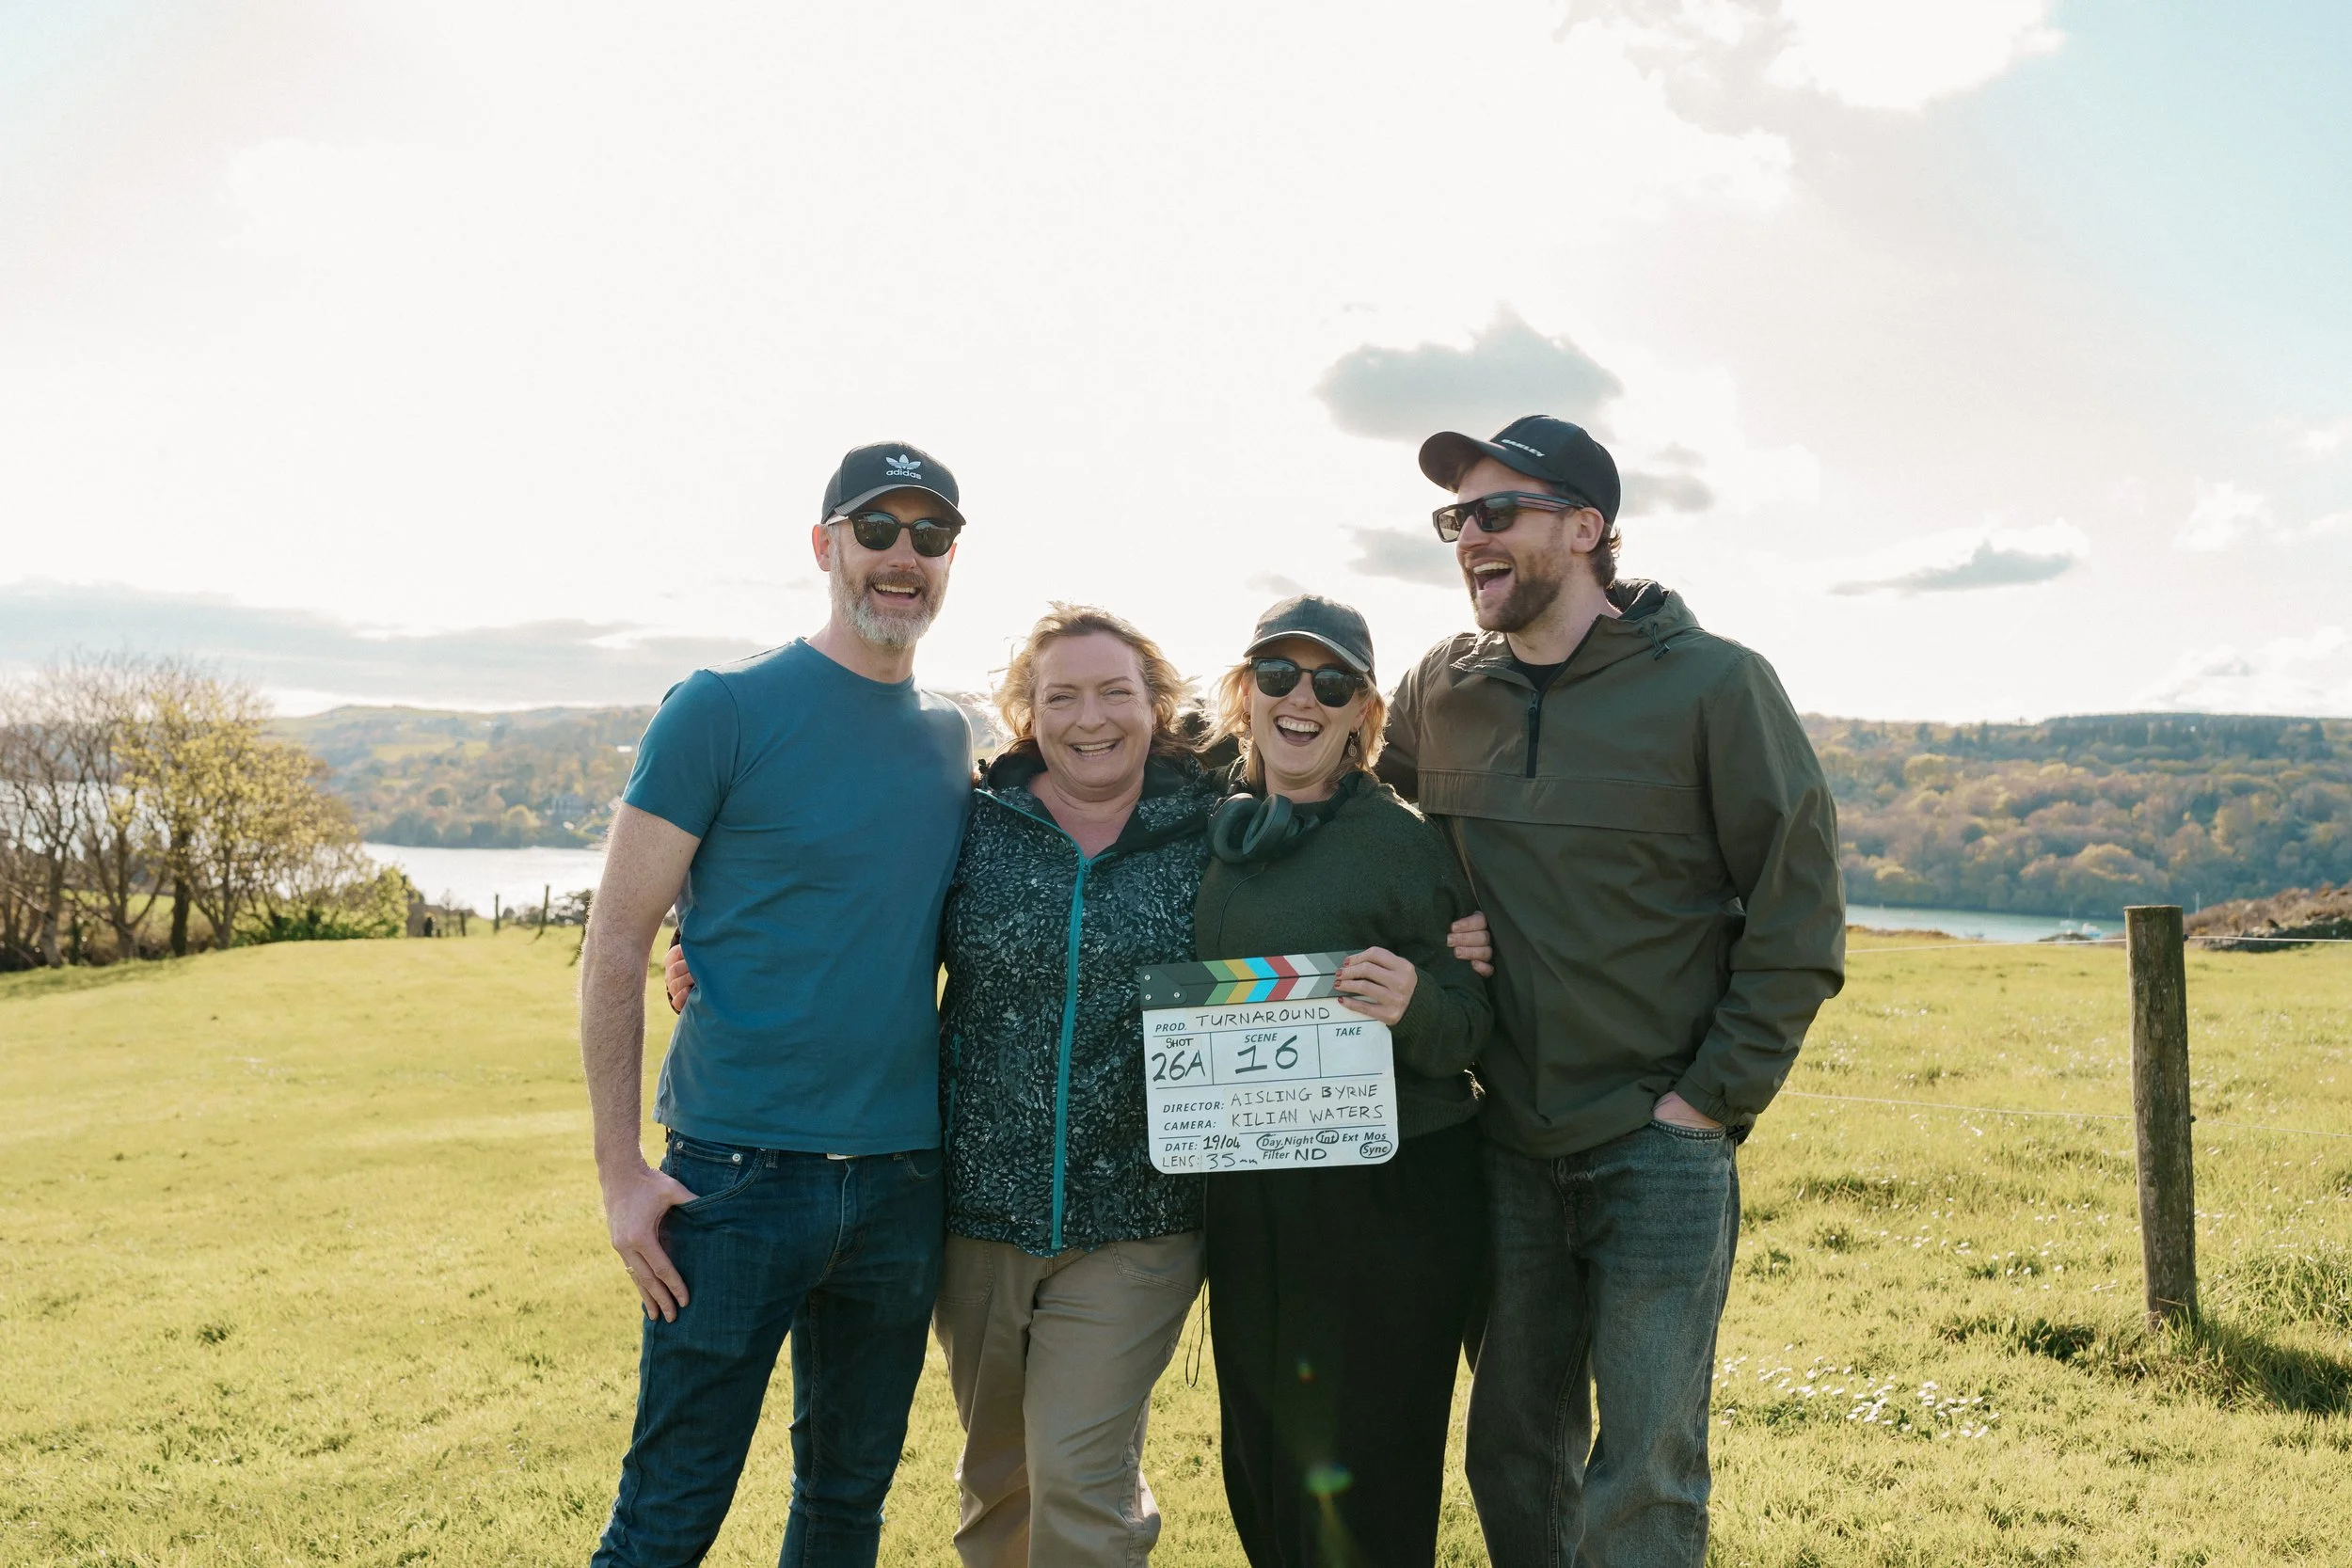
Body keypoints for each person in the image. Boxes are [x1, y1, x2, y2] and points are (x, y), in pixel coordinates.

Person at [1377, 416, 1847, 1568]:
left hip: (1657, 1144)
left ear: (1587, 528)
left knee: (1643, 1469)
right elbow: (1363, 839)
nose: (1468, 537)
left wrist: (1706, 1101)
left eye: (1498, 512)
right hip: (1500, 1131)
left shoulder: (1718, 686)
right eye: (1455, 518)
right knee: (1512, 1450)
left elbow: (1798, 913)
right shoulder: (1442, 683)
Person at [579, 441, 977, 1568]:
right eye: (877, 530)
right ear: (825, 547)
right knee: (666, 1519)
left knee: (846, 1507)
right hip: (735, 1179)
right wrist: (619, 1172)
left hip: (904, 1181)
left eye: (930, 536)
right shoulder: (720, 709)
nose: (903, 557)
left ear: (950, 561)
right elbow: (614, 945)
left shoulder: (954, 738)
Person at [1196, 595, 1492, 1568]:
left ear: (1365, 712)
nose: (1301, 697)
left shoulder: (1404, 843)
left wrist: (1415, 1000)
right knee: (1263, 1456)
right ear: (1245, 693)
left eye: (1332, 683)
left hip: (1396, 1186)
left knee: (1373, 1460)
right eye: (1277, 673)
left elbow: (1472, 1021)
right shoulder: (1196, 826)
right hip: (1248, 1186)